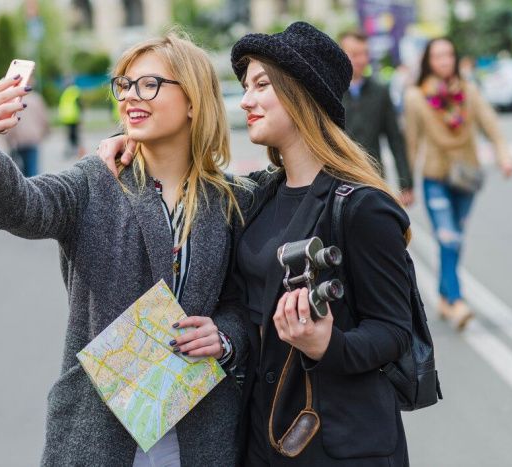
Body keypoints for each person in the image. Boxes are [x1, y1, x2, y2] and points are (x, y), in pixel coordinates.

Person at [99, 22, 414, 466]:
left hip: (341, 446)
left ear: (303, 95)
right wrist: (130, 143)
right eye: (246, 86)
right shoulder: (256, 197)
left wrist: (327, 344)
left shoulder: (361, 207)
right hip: (263, 439)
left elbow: (394, 332)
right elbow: (241, 305)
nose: (245, 100)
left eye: (261, 85)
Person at [0, 32, 249, 466]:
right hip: (99, 429)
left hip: (198, 432)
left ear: (193, 101)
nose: (131, 96)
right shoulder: (97, 180)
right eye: (125, 84)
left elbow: (244, 305)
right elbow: (24, 208)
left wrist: (226, 337)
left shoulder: (231, 199)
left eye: (150, 84)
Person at [404, 37, 512, 330]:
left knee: (454, 240)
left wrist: (503, 156)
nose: (445, 60)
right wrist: (407, 184)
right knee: (448, 237)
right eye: (438, 55)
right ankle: (456, 301)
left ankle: (443, 294)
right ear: (429, 60)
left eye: (449, 54)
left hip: (467, 177)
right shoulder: (416, 97)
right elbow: (411, 142)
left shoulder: (468, 91)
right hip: (435, 177)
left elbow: (490, 124)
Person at [339, 30, 414, 206]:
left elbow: (395, 139)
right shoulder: (329, 91)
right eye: (355, 54)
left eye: (365, 53)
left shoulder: (380, 92)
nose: (361, 60)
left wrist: (406, 183)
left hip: (373, 178)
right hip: (338, 177)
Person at [5, 84, 50, 177]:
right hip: (33, 138)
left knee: (20, 171)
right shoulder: (36, 98)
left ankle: (24, 190)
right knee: (33, 171)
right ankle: (33, 190)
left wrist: (9, 139)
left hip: (18, 141)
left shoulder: (13, 100)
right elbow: (43, 118)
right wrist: (45, 132)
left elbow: (9, 121)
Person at [58, 79, 86, 157]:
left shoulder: (67, 92)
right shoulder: (74, 91)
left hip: (68, 118)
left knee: (72, 135)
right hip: (73, 117)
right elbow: (80, 104)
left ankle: (75, 151)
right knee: (74, 135)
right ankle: (77, 151)